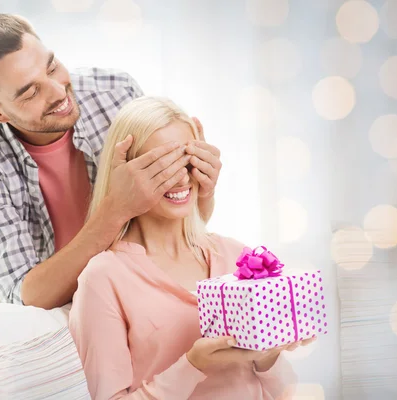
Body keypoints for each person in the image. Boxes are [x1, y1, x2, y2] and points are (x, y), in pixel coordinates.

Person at [0, 14, 223, 308]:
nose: (58, 92)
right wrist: (114, 211)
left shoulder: (116, 92)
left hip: (116, 266)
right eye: (30, 92)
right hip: (23, 288)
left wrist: (203, 188)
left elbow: (171, 226)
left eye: (52, 67)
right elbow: (27, 296)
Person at [69, 96, 313, 399]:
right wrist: (193, 364)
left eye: (189, 159)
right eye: (162, 165)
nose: (183, 177)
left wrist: (267, 356)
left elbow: (288, 393)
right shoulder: (104, 277)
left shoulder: (238, 256)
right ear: (126, 176)